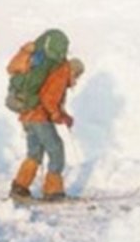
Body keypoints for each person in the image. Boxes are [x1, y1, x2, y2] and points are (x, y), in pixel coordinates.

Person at [9, 42, 84, 202]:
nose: (76, 80)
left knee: (34, 153)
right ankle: (53, 191)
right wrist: (57, 116)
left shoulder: (54, 74)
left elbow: (50, 101)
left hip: (28, 116)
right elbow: (49, 100)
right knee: (56, 149)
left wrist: (64, 117)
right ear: (73, 70)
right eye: (77, 76)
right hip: (38, 118)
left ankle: (19, 188)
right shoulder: (61, 75)